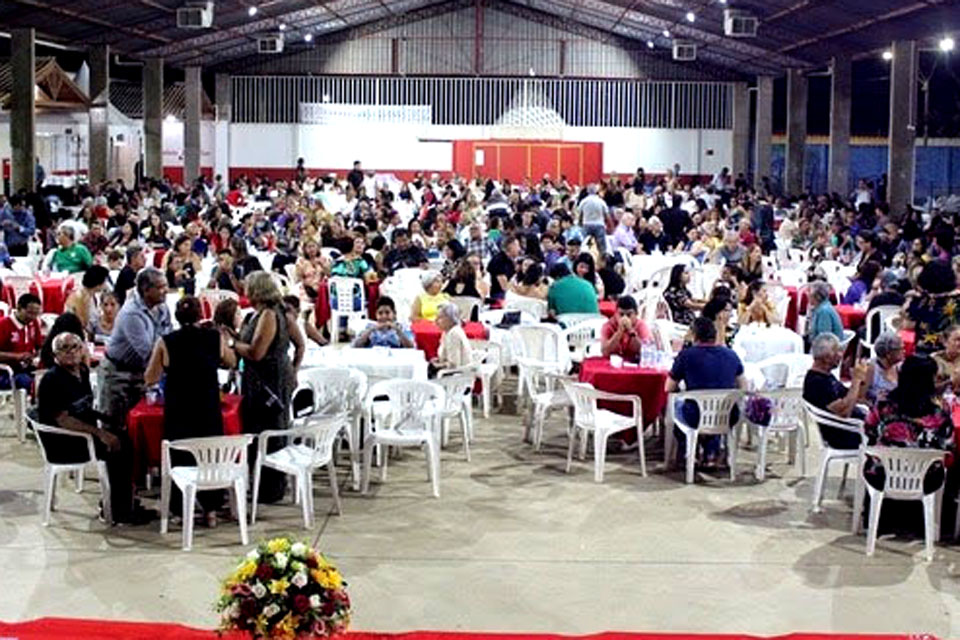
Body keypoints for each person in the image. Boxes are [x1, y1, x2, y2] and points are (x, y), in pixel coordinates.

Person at [37, 332, 150, 525]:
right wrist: (101, 433)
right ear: (55, 354)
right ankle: (117, 511)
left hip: (82, 433)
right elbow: (64, 420)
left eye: (75, 347)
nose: (71, 352)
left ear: (82, 350)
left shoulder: (81, 371)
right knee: (118, 447)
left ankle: (123, 501)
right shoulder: (52, 380)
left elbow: (87, 409)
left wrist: (109, 421)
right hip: (64, 441)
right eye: (64, 349)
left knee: (127, 437)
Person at [144, 296, 237, 525]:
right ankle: (211, 510)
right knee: (209, 455)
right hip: (207, 408)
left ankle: (180, 509)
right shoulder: (214, 338)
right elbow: (231, 361)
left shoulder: (166, 341)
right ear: (200, 315)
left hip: (180, 411)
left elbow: (150, 377)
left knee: (180, 455)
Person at [230, 271, 293, 504]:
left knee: (267, 429)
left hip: (267, 381)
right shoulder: (280, 313)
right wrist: (291, 369)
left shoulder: (268, 315)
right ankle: (264, 484)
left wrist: (233, 344)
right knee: (270, 426)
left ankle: (270, 487)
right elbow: (299, 342)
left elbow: (257, 352)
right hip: (276, 376)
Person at [862, 355, 955, 497]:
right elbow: (948, 447)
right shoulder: (940, 413)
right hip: (926, 479)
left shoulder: (884, 405)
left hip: (881, 474)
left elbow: (869, 429)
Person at [665, 317, 745, 466]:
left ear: (694, 335)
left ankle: (688, 453)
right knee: (718, 406)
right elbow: (743, 387)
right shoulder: (731, 355)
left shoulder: (686, 356)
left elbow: (668, 387)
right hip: (728, 416)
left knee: (675, 406)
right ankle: (712, 452)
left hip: (695, 416)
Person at [100, 268, 172, 426]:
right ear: (146, 290)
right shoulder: (131, 314)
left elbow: (169, 339)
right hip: (118, 375)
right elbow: (149, 353)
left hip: (141, 373)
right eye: (161, 287)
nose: (166, 291)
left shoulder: (162, 308)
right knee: (115, 425)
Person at [802, 332, 869, 453]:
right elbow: (844, 412)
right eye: (838, 351)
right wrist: (856, 381)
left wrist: (861, 381)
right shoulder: (816, 382)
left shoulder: (827, 376)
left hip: (853, 426)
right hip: (844, 434)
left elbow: (854, 397)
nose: (841, 355)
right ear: (827, 357)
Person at [905, 260, 960, 354]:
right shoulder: (957, 301)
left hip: (923, 354)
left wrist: (908, 353)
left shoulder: (919, 301)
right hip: (953, 353)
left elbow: (907, 330)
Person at [0, 293, 43, 390]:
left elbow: (39, 346)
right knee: (27, 382)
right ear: (19, 308)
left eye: (36, 314)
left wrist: (37, 357)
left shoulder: (33, 323)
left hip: (28, 368)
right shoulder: (3, 325)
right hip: (6, 371)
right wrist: (16, 356)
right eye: (30, 313)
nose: (33, 317)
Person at [600, 296, 652, 361]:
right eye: (621, 315)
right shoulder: (608, 326)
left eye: (629, 315)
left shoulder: (641, 326)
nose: (625, 319)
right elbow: (605, 352)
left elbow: (644, 351)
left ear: (636, 314)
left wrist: (631, 332)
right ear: (615, 314)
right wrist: (619, 333)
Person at [64, 265, 110, 337]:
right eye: (105, 281)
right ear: (98, 284)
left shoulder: (91, 295)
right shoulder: (81, 298)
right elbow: (83, 324)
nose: (106, 284)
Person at [860, 331, 903, 403]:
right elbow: (859, 398)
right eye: (900, 349)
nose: (903, 351)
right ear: (888, 354)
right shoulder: (870, 368)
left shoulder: (898, 367)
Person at [432, 303, 472, 373]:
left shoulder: (454, 334)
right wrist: (438, 360)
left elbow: (454, 364)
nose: (436, 321)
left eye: (440, 317)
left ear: (450, 318)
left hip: (459, 375)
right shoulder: (446, 332)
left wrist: (438, 365)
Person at [577, 184, 608, 255]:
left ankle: (585, 256)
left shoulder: (584, 201)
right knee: (601, 247)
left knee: (585, 245)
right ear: (596, 191)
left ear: (587, 191)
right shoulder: (601, 201)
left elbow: (580, 214)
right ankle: (603, 259)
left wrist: (579, 224)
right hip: (599, 224)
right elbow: (606, 214)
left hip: (586, 224)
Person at [487, 235, 520, 301]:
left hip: (509, 291)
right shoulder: (499, 260)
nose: (519, 249)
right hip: (498, 294)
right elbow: (504, 286)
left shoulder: (510, 261)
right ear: (511, 246)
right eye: (517, 246)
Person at [932, 324, 960, 391]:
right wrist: (951, 381)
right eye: (958, 340)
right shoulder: (933, 360)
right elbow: (928, 389)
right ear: (945, 342)